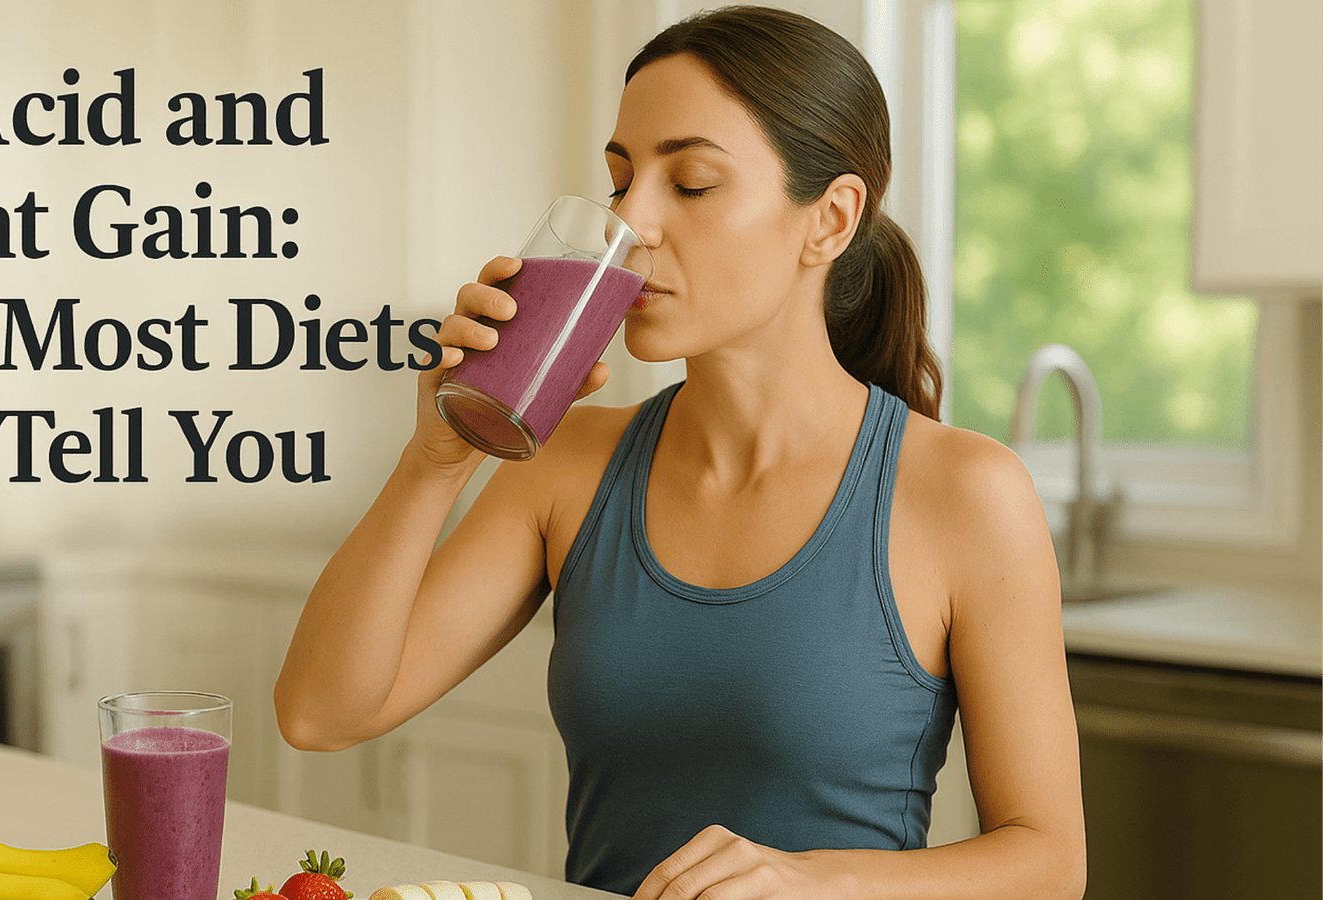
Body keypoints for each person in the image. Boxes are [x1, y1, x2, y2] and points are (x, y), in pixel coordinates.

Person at [274, 6, 1086, 899]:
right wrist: (438, 455)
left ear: (831, 219)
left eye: (691, 183)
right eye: (620, 181)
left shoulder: (965, 494)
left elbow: (1049, 862)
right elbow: (320, 713)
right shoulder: (568, 465)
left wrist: (816, 882)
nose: (635, 221)